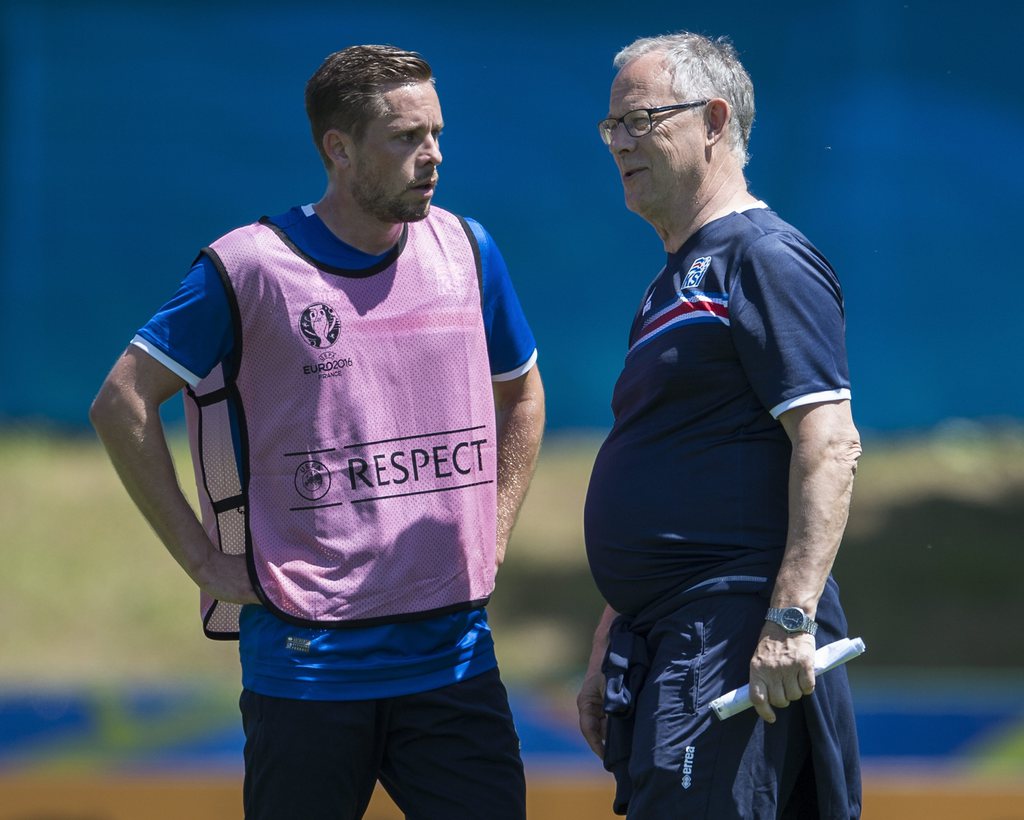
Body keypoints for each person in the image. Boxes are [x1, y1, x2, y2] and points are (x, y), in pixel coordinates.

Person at [90, 44, 544, 820]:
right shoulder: (250, 267)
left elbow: (524, 396)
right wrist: (201, 558)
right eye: (406, 137)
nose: (432, 154)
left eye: (436, 132)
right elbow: (122, 401)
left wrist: (495, 528)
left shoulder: (469, 250)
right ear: (338, 149)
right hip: (307, 667)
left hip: (454, 659)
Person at [576, 32, 862, 818]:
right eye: (612, 128)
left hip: (731, 630)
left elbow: (830, 442)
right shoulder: (675, 276)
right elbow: (672, 463)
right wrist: (611, 631)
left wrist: (789, 620)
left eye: (640, 120)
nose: (620, 144)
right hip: (669, 631)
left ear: (711, 118)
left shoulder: (763, 255)